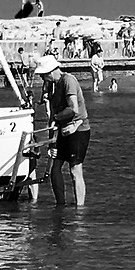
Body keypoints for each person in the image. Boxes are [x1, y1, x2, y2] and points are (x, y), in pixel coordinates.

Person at [38, 53, 89, 205]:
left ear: (51, 71)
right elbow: (52, 114)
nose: (42, 78)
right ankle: (60, 205)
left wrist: (58, 119)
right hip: (61, 130)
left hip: (78, 129)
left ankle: (79, 209)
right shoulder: (52, 86)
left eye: (43, 75)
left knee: (75, 170)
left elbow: (74, 109)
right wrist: (52, 141)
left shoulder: (68, 81)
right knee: (55, 168)